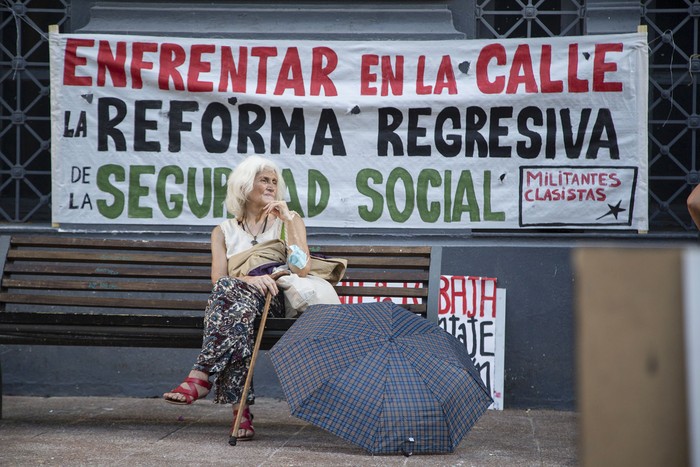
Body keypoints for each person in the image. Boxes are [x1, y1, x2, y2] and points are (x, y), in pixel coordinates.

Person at [163, 155, 311, 441]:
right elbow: (218, 279)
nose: (270, 186)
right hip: (237, 306)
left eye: (274, 181)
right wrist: (249, 280)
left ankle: (201, 375)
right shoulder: (223, 231)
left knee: (228, 298)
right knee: (235, 310)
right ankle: (239, 411)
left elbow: (302, 268)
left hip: (274, 300)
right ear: (244, 185)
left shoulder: (288, 220)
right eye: (263, 180)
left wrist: (288, 222)